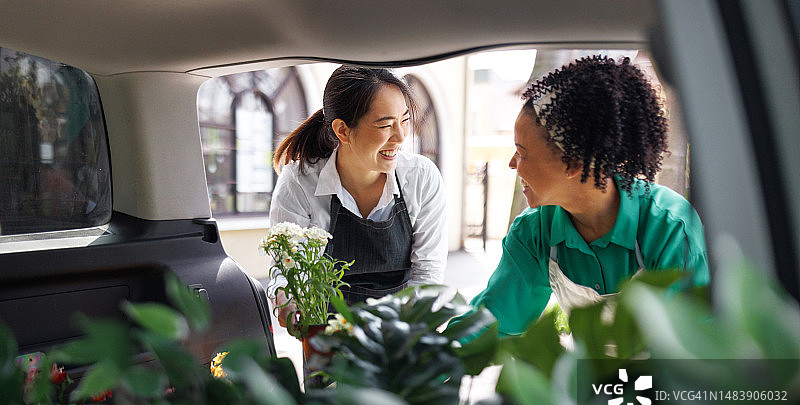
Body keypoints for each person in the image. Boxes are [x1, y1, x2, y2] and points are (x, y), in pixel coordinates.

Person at [470, 55, 710, 336]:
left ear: (574, 164)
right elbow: (492, 322)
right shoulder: (535, 232)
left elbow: (695, 347)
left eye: (522, 153)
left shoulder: (670, 228)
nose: (512, 164)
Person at [269, 65, 448, 328]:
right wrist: (287, 299)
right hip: (328, 338)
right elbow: (289, 272)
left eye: (405, 120)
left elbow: (427, 275)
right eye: (385, 124)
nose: (400, 136)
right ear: (342, 130)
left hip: (400, 335)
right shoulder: (299, 182)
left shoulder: (421, 177)